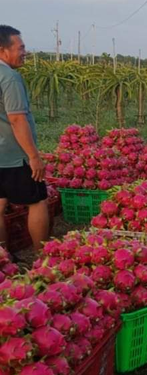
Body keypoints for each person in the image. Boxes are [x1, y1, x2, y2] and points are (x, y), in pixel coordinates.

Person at [0, 25, 48, 253]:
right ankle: (43, 260)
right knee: (37, 202)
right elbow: (18, 120)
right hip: (14, 154)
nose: (24, 52)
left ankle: (3, 258)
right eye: (20, 47)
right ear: (3, 50)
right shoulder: (9, 77)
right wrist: (33, 156)